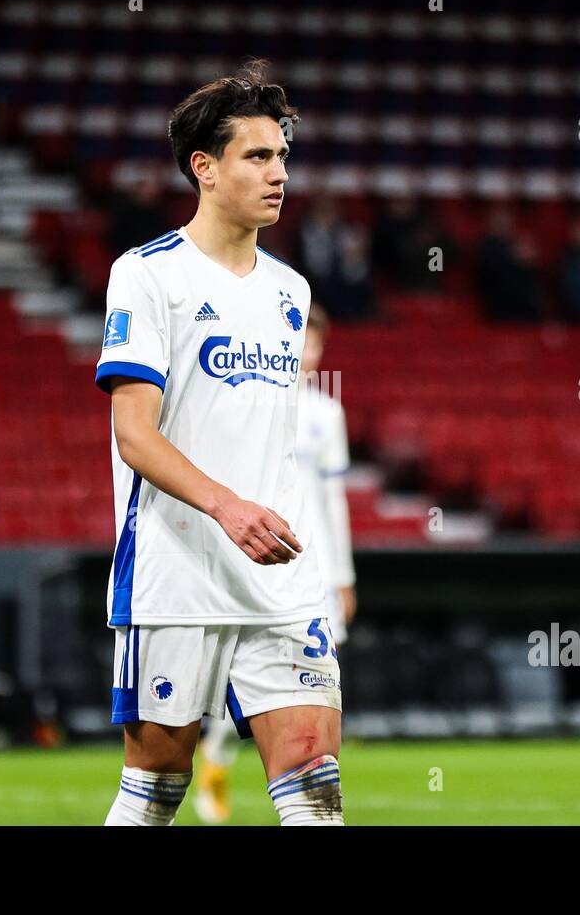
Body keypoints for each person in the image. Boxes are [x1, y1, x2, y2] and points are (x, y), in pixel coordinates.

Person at [95, 59, 343, 826]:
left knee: (314, 786)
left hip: (279, 576)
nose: (280, 173)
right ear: (204, 168)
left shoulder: (291, 293)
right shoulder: (146, 277)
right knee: (157, 790)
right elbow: (133, 435)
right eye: (258, 156)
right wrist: (225, 507)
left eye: (284, 156)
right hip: (176, 573)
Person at [193, 304, 357, 823]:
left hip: (316, 566)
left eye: (316, 344)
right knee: (248, 680)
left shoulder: (327, 414)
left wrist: (344, 576)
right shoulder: (252, 402)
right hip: (260, 558)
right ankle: (216, 756)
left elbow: (333, 501)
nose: (308, 353)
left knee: (318, 682)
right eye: (301, 341)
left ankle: (308, 787)